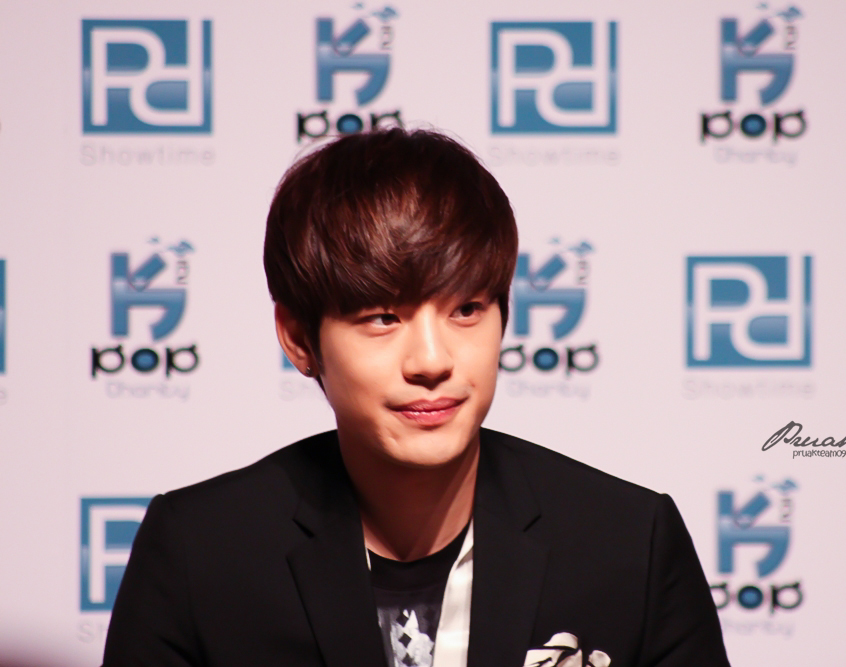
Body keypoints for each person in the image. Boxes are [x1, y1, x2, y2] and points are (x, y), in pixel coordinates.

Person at [103, 129, 729, 667]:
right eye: (382, 317)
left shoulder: (630, 544)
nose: (432, 361)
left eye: (467, 309)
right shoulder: (200, 553)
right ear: (298, 338)